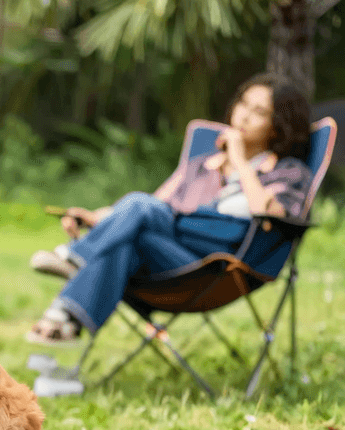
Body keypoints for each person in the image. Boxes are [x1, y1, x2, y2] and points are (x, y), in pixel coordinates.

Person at [26, 73, 313, 345]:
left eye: (260, 112)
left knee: (138, 211)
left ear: (278, 124)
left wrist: (238, 160)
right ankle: (62, 326)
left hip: (213, 269)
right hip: (169, 251)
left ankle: (75, 263)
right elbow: (153, 206)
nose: (244, 115)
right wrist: (94, 218)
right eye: (243, 104)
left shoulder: (287, 172)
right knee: (132, 232)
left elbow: (268, 213)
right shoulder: (201, 166)